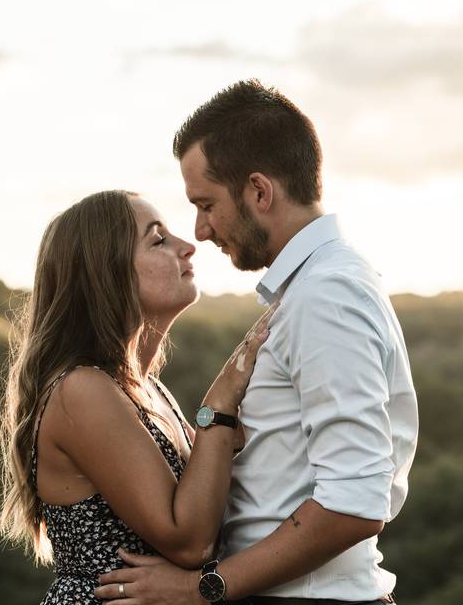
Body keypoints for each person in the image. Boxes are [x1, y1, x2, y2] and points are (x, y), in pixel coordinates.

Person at [96, 80, 418, 604]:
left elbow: (354, 501)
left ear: (259, 191)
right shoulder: (312, 289)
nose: (200, 230)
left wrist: (202, 591)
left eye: (206, 204)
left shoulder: (326, 294)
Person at [0, 190, 275, 605]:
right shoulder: (81, 390)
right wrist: (218, 407)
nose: (187, 245)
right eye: (158, 240)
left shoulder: (147, 389)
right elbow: (190, 542)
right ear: (108, 274)